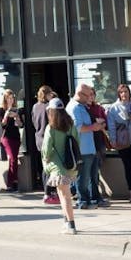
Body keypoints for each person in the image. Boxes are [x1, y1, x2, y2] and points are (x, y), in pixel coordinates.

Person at [40, 99, 77, 235]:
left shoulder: (51, 127)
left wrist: (45, 159)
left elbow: (46, 149)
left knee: (64, 196)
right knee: (64, 195)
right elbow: (76, 142)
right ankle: (66, 222)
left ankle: (71, 225)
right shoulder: (71, 125)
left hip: (57, 167)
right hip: (70, 165)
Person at [70, 84, 103, 210]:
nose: (90, 97)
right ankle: (82, 200)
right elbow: (78, 127)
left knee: (90, 176)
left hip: (89, 148)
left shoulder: (82, 107)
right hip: (82, 149)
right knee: (83, 177)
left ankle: (89, 199)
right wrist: (94, 127)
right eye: (88, 95)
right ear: (80, 94)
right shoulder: (74, 108)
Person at [30, 85, 55, 204]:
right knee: (49, 167)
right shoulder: (49, 107)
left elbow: (34, 122)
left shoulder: (35, 107)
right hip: (48, 138)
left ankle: (47, 192)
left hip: (39, 139)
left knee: (45, 165)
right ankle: (48, 191)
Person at [0, 89, 23, 193]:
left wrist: (17, 117)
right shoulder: (1, 110)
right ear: (5, 99)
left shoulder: (17, 110)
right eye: (8, 98)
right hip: (6, 137)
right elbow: (2, 124)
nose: (10, 100)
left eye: (12, 98)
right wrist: (7, 114)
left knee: (14, 160)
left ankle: (14, 182)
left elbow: (21, 125)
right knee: (12, 158)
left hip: (16, 136)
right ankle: (11, 183)